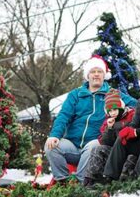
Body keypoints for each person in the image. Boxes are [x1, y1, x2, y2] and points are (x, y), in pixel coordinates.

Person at [44, 55, 112, 183]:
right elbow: (63, 116)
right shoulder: (76, 95)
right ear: (88, 76)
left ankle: (80, 183)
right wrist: (54, 135)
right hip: (73, 146)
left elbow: (136, 104)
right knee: (51, 146)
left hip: (94, 145)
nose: (96, 74)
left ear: (104, 75)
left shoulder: (112, 94)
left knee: (94, 146)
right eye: (93, 71)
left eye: (99, 72)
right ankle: (62, 182)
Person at [83, 89, 135, 185]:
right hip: (114, 151)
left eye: (115, 109)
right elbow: (105, 142)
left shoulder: (131, 115)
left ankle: (122, 184)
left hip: (130, 149)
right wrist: (110, 128)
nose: (113, 113)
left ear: (121, 107)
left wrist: (119, 126)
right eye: (110, 111)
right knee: (97, 149)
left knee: (131, 158)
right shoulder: (107, 122)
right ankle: (92, 180)